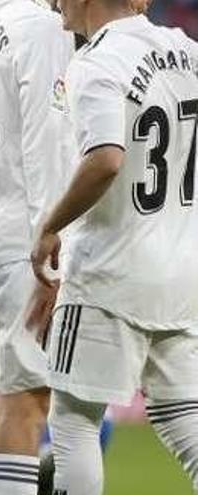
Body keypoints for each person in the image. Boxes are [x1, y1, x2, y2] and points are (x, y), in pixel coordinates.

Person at [30, 0, 198, 493]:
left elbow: (105, 159)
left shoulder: (97, 61)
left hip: (110, 272)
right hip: (182, 273)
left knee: (74, 419)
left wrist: (49, 226)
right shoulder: (187, 52)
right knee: (183, 416)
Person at [0, 0, 76, 492]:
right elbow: (48, 140)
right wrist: (53, 246)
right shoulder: (45, 28)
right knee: (29, 400)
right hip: (22, 239)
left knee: (13, 398)